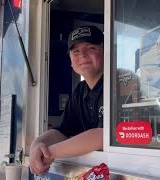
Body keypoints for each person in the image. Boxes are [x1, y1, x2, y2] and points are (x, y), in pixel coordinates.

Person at [29, 25, 104, 175]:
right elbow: (63, 131)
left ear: (106, 52)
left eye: (91, 48)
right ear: (71, 61)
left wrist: (49, 152)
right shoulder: (80, 91)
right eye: (75, 51)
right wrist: (37, 145)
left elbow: (103, 136)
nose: (82, 55)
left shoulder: (121, 83)